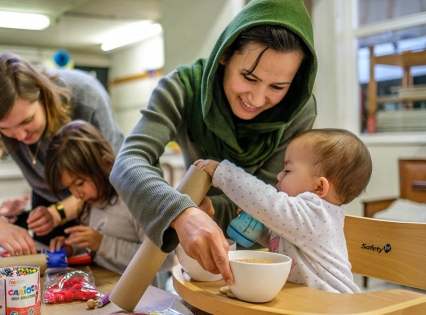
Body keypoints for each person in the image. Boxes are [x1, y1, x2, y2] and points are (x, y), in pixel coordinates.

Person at [110, 0, 317, 285]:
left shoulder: (298, 110)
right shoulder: (182, 88)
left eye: (277, 87)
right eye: (248, 77)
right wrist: (180, 212)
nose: (256, 99)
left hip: (268, 262)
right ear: (225, 54)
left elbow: (269, 200)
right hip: (193, 258)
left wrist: (201, 209)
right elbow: (128, 163)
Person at [0, 52, 124, 256]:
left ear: (42, 96)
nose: (20, 135)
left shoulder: (86, 97)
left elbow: (109, 179)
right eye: (5, 129)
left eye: (27, 121)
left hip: (105, 195)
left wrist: (59, 212)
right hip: (48, 202)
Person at [195, 128, 372, 293]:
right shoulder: (303, 221)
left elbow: (270, 203)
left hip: (333, 306)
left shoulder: (317, 212)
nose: (279, 175)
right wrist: (261, 232)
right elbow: (285, 242)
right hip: (304, 303)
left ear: (319, 187)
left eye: (287, 170)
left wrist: (224, 173)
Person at [46, 120, 173, 282]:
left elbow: (163, 259)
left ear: (105, 164)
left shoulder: (132, 199)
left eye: (79, 184)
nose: (77, 194)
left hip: (139, 298)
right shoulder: (93, 200)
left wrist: (102, 243)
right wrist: (72, 246)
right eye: (69, 188)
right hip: (104, 287)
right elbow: (99, 240)